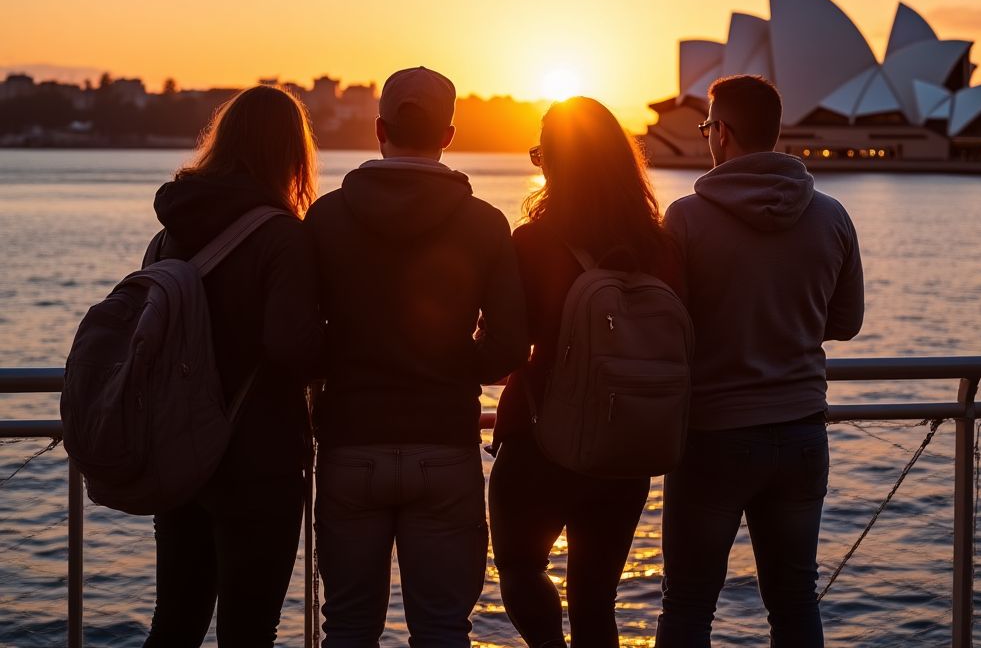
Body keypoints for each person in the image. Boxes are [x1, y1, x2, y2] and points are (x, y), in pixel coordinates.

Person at [306, 66, 529, 647]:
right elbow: (510, 343)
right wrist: (456, 362)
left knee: (349, 628)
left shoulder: (326, 218)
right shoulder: (484, 223)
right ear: (449, 136)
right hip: (444, 445)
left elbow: (300, 336)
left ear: (378, 127)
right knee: (442, 630)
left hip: (350, 445)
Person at [656, 74, 865, 648]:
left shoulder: (686, 219)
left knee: (690, 602)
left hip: (712, 436)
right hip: (801, 434)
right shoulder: (832, 216)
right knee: (795, 601)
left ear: (721, 132)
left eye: (706, 126)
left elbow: (668, 328)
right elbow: (845, 324)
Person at [489, 96, 686, 648]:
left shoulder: (532, 242)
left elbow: (508, 344)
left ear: (553, 162)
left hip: (541, 438)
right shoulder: (661, 247)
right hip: (627, 444)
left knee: (520, 566)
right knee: (597, 602)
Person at [144, 84, 323, 648]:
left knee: (175, 623)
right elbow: (290, 347)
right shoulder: (279, 237)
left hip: (178, 452)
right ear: (291, 154)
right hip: (257, 461)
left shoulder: (169, 234)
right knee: (249, 631)